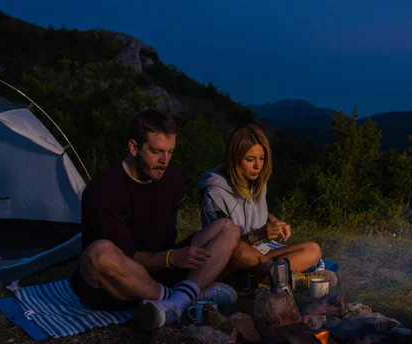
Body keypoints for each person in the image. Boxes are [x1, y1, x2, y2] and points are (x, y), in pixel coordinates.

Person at [70, 109, 240, 331]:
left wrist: (174, 257)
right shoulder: (105, 189)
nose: (164, 160)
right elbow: (125, 257)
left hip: (163, 267)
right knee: (98, 253)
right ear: (134, 147)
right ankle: (179, 297)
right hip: (116, 281)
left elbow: (166, 240)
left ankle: (178, 302)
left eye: (170, 152)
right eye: (156, 151)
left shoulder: (173, 179)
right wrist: (172, 257)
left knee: (227, 228)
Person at [198, 123, 338, 290]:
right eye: (250, 159)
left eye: (262, 158)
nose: (258, 166)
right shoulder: (215, 192)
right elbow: (220, 247)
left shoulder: (256, 183)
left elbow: (251, 210)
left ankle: (266, 279)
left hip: (260, 254)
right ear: (234, 158)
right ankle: (291, 279)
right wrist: (257, 235)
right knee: (242, 252)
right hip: (230, 261)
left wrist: (273, 220)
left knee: (313, 249)